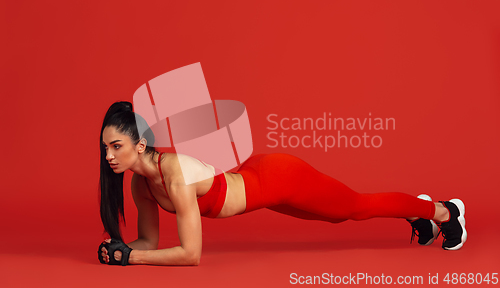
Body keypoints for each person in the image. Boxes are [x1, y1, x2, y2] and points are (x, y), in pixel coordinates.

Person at [97, 101, 467, 266]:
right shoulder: (141, 186)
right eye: (106, 148)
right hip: (257, 183)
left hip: (278, 178)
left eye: (118, 146)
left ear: (140, 144)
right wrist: (121, 249)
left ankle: (442, 211)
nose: (110, 156)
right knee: (339, 217)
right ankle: (418, 211)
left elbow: (191, 255)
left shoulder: (174, 173)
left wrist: (135, 259)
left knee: (356, 208)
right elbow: (148, 242)